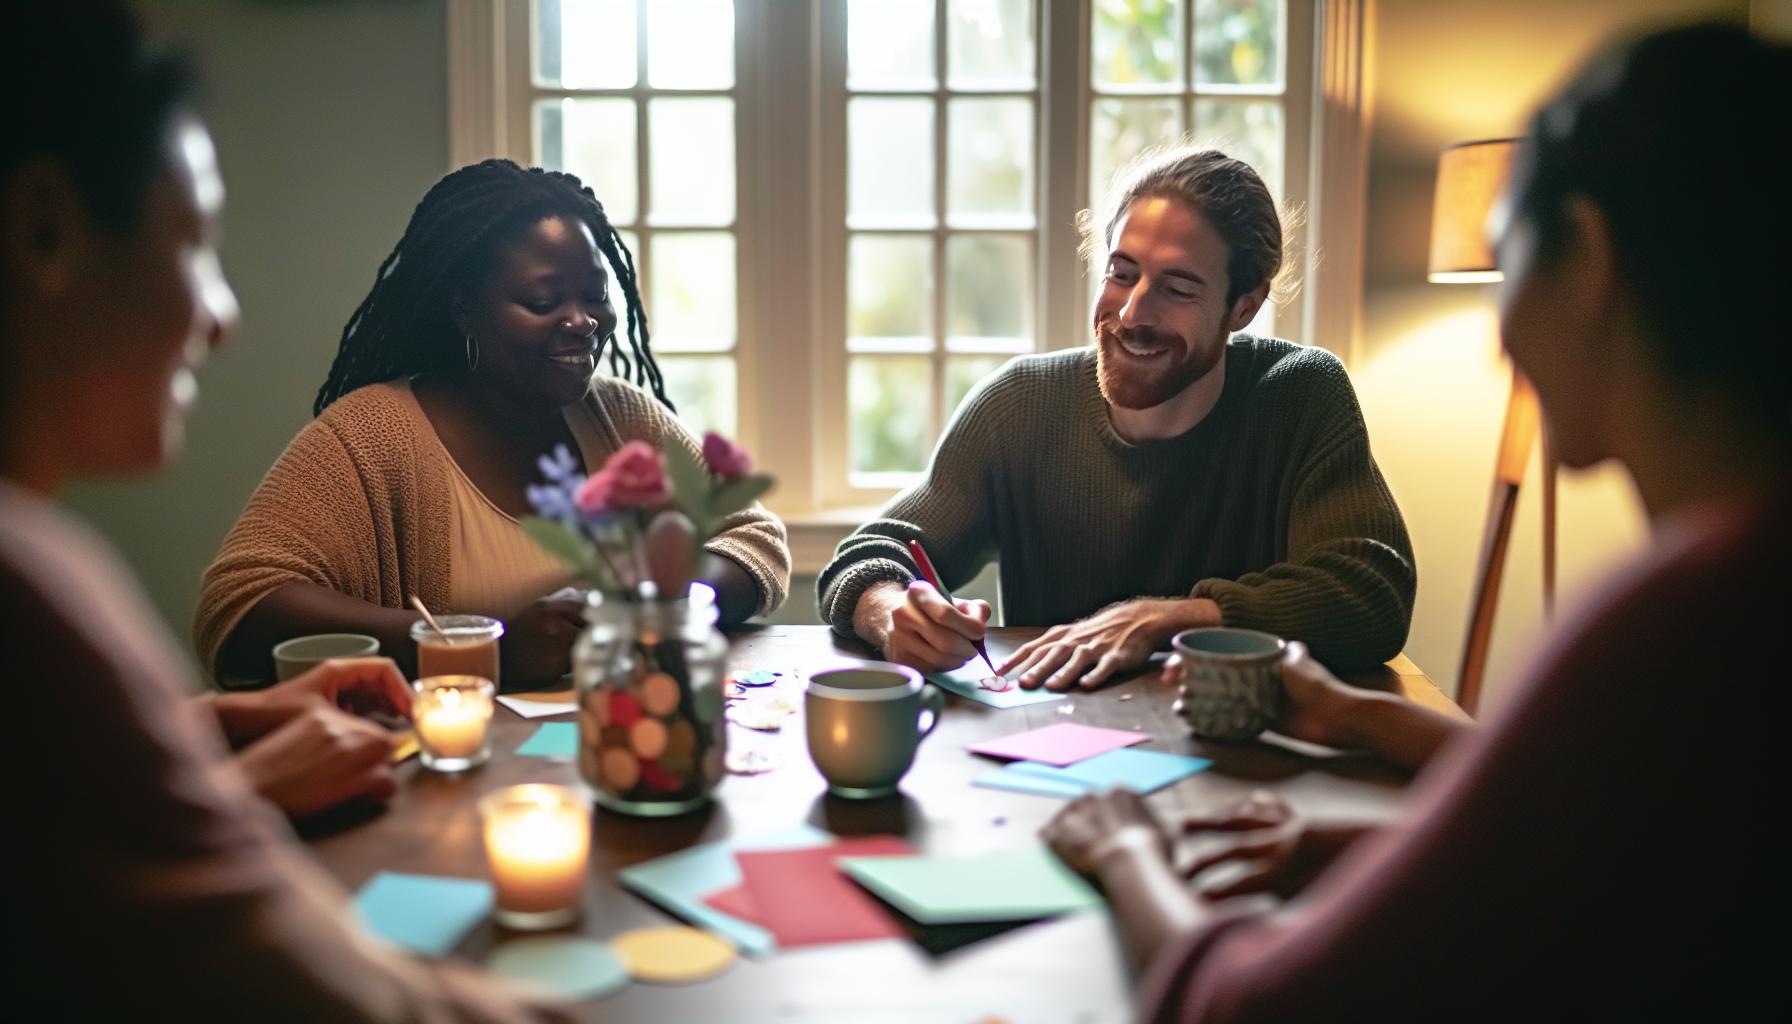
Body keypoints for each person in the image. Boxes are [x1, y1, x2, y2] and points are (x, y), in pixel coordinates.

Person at [1043, 23, 1787, 1019]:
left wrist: (1125, 850)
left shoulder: (1683, 621)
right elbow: (1587, 820)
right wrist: (1355, 727)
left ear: (1587, 264)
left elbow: (1247, 1005)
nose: (1499, 336)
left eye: (1507, 260)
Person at [2, 4, 569, 1017]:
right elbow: (364, 1003)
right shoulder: (31, 588)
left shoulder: (625, 421)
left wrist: (213, 732)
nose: (220, 317)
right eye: (197, 244)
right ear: (46, 230)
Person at [819, 147, 1415, 690]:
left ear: (1244, 306)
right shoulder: (1019, 405)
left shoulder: (1300, 394)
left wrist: (1168, 618)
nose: (1131, 314)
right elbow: (865, 556)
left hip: (1240, 760)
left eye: (1177, 288)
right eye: (1121, 272)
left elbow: (1372, 597)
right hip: (1048, 752)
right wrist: (891, 611)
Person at [194, 160, 790, 687]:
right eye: (543, 301)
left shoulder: (620, 418)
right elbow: (241, 606)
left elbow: (750, 536)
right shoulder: (372, 436)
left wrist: (668, 596)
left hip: (622, 752)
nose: (582, 322)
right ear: (464, 309)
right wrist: (482, 645)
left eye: (594, 294)